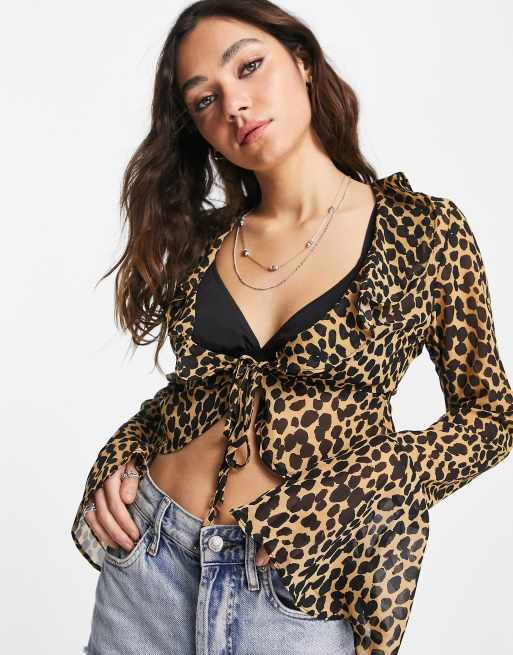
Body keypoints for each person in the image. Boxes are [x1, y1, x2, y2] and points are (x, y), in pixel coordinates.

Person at [75, 2, 513, 654]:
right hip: (150, 563)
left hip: (293, 591)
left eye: (249, 67)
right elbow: (193, 398)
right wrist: (122, 453)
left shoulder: (423, 232)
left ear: (301, 61)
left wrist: (365, 485)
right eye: (204, 100)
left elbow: (491, 416)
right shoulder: (204, 243)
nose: (234, 105)